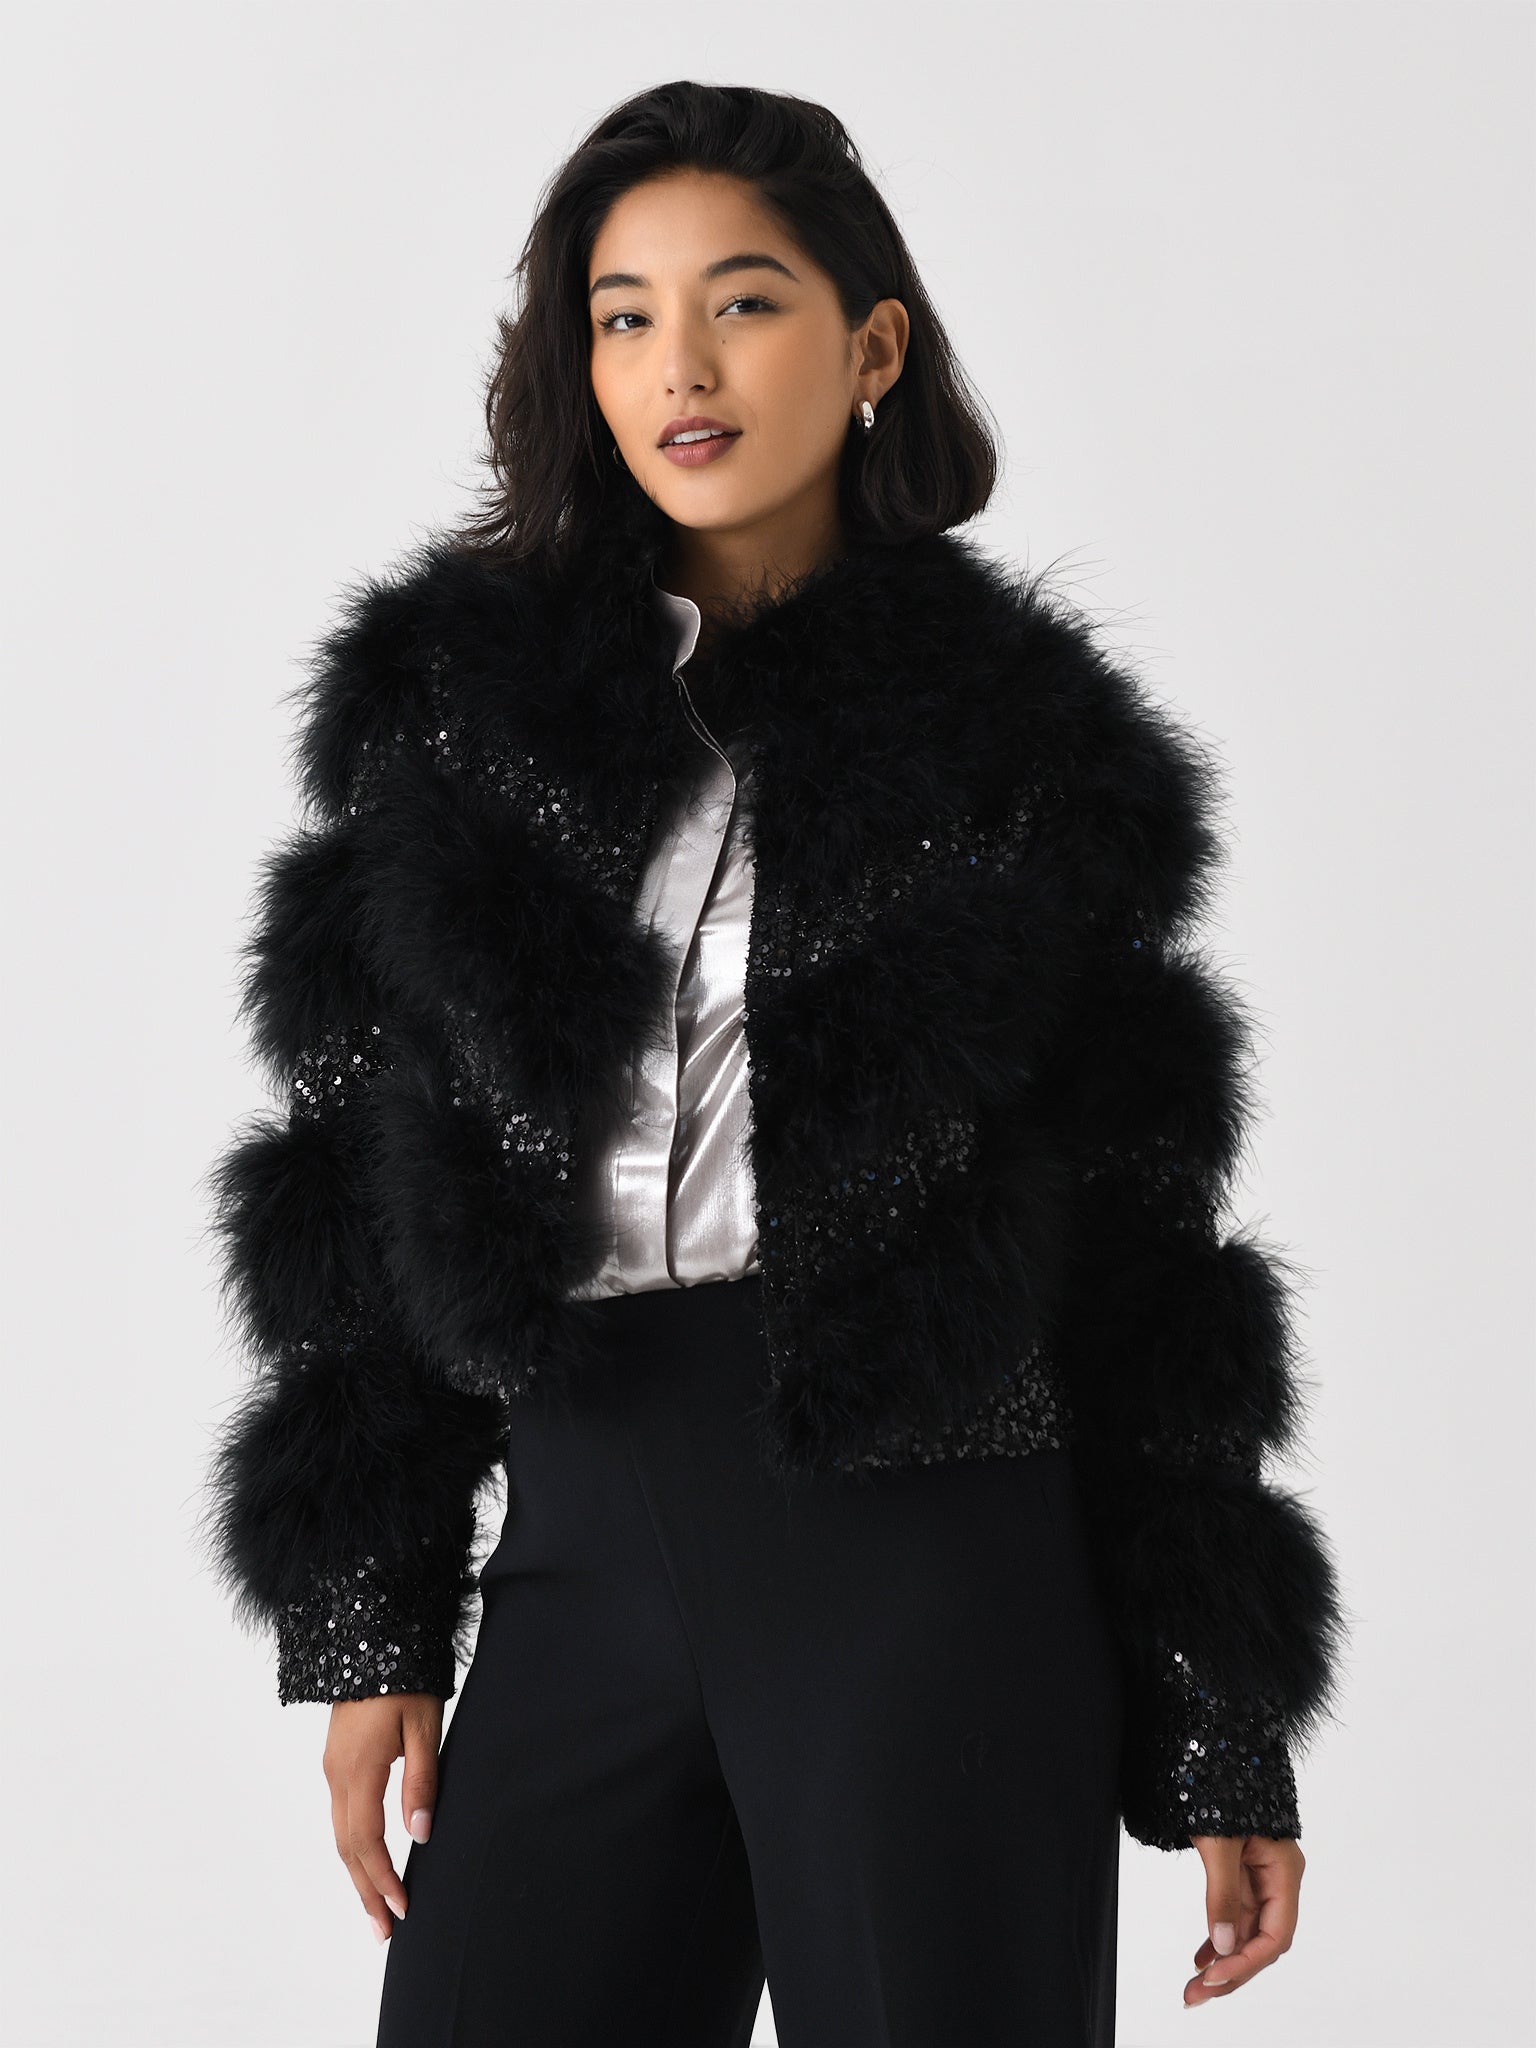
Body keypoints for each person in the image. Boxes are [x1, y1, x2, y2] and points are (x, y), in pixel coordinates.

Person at [197, 79, 1347, 2048]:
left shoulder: (1026, 740)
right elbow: (351, 1169)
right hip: (578, 1527)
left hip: (932, 1556)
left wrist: (1224, 1711)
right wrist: (373, 1613)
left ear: (872, 347)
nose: (680, 365)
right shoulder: (456, 710)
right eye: (623, 314)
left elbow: (1150, 1249)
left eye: (742, 301)